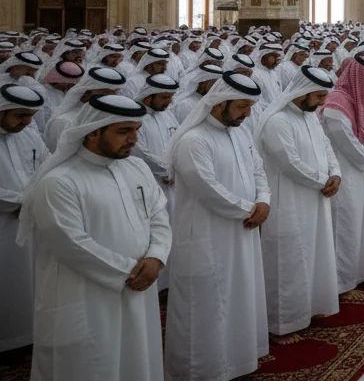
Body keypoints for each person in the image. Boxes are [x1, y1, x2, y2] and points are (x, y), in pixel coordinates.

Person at [19, 94, 171, 380]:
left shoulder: (136, 168)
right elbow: (71, 244)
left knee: (138, 359)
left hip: (140, 285)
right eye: (124, 131)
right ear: (92, 131)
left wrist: (156, 256)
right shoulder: (59, 181)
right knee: (91, 364)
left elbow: (159, 216)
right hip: (86, 294)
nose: (134, 139)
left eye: (136, 130)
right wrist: (131, 272)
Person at [165, 71, 271, 380]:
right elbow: (207, 188)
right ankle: (203, 369)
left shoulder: (239, 133)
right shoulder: (193, 140)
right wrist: (250, 209)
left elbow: (258, 170)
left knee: (241, 294)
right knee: (208, 304)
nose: (246, 114)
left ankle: (239, 361)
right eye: (241, 107)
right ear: (219, 103)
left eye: (249, 107)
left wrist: (263, 200)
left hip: (243, 229)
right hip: (207, 235)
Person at [254, 65, 341, 336]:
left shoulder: (309, 115)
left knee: (314, 253)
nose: (321, 103)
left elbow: (326, 146)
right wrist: (322, 180)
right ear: (303, 92)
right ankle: (284, 320)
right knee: (289, 258)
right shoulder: (278, 121)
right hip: (288, 201)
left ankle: (309, 307)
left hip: (316, 198)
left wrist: (335, 172)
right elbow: (289, 162)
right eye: (317, 96)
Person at [320, 52, 364, 291]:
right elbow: (346, 141)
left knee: (363, 222)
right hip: (346, 173)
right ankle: (341, 282)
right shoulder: (336, 102)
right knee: (346, 223)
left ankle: (361, 271)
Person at [0, 84, 47, 354]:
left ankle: (29, 336)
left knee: (31, 281)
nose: (27, 122)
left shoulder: (29, 135)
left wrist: (36, 198)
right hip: (4, 224)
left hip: (32, 222)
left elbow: (47, 165)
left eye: (30, 116)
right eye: (20, 115)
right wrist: (21, 202)